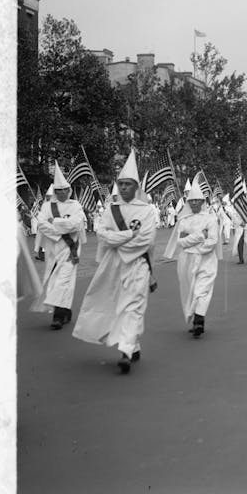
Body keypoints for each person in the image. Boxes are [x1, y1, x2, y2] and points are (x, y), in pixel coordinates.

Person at [72, 149, 157, 374]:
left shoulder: (147, 211)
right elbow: (101, 233)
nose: (124, 188)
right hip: (113, 266)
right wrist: (128, 235)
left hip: (138, 264)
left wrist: (117, 241)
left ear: (136, 187)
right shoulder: (111, 209)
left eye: (128, 184)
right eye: (121, 184)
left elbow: (145, 241)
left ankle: (126, 351)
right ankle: (133, 344)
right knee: (117, 304)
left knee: (133, 306)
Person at [163, 180, 222, 338]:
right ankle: (195, 315)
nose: (195, 203)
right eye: (192, 200)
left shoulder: (210, 219)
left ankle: (199, 320)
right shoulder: (183, 220)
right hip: (186, 261)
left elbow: (212, 241)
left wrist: (193, 241)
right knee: (189, 290)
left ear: (203, 202)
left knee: (202, 290)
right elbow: (180, 241)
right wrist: (200, 236)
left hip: (206, 260)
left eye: (198, 200)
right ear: (188, 202)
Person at [31, 162, 86, 329]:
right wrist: (63, 225)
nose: (62, 193)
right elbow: (41, 224)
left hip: (71, 249)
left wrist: (54, 222)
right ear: (55, 192)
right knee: (55, 282)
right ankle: (65, 310)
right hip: (53, 250)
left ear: (69, 190)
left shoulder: (75, 205)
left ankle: (58, 316)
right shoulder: (47, 206)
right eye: (58, 190)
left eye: (65, 190)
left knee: (64, 281)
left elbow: (76, 224)